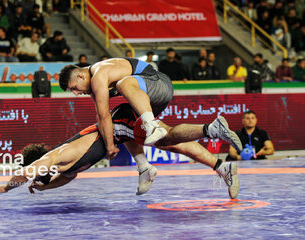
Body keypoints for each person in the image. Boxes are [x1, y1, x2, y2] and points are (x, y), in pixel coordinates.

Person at [0, 103, 240, 199]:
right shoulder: (65, 167)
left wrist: (7, 187)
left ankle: (211, 129)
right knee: (169, 142)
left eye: (39, 176)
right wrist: (46, 186)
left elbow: (28, 171)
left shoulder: (56, 156)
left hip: (118, 121)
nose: (38, 178)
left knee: (167, 140)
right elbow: (68, 177)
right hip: (119, 132)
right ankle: (221, 167)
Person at [58, 58, 243, 172]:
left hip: (158, 83)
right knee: (158, 136)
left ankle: (150, 125)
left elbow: (104, 117)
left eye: (74, 88)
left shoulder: (98, 74)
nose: (75, 93)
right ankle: (218, 155)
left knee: (123, 86)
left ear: (81, 76)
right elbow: (102, 118)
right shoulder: (95, 86)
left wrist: (109, 146)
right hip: (150, 98)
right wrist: (110, 144)